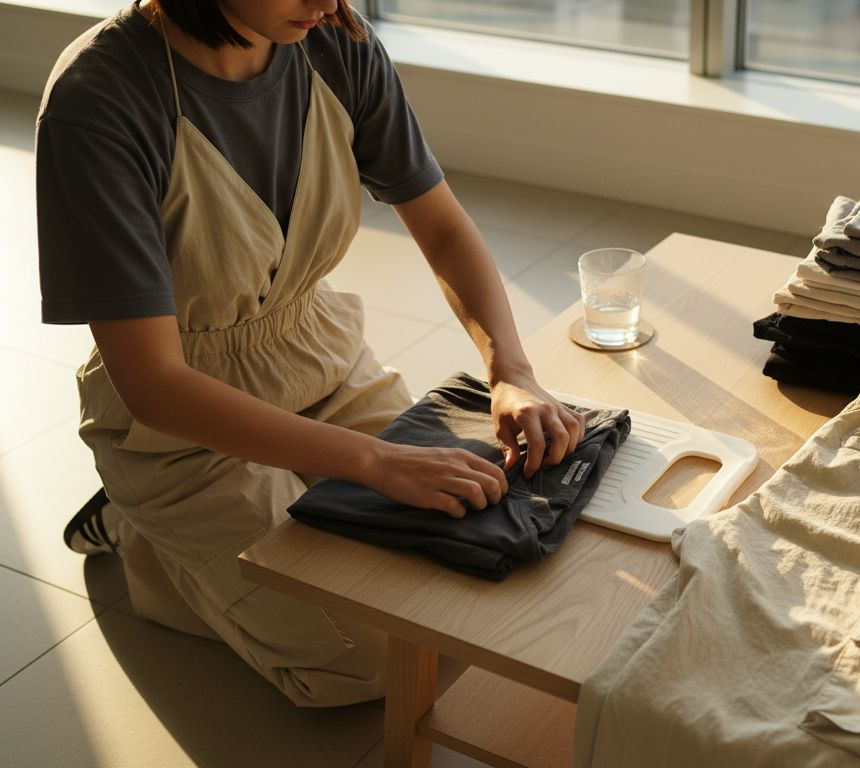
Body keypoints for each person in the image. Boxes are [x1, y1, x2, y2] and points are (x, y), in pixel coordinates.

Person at [36, 0, 584, 706]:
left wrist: (512, 371)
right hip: (179, 428)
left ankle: (237, 525)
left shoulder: (335, 43)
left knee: (468, 565)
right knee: (372, 659)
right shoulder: (98, 99)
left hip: (320, 363)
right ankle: (145, 541)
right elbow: (154, 383)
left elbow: (443, 228)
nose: (329, 2)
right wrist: (375, 462)